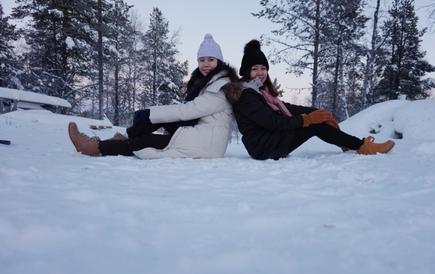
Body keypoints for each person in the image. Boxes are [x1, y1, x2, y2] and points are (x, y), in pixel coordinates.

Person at [68, 34, 240, 159]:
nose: (206, 64)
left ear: (219, 62)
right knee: (159, 120)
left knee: (146, 141)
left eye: (211, 59)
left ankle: (94, 147)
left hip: (206, 144)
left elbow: (190, 110)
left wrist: (151, 112)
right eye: (202, 60)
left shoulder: (220, 87)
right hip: (201, 134)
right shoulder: (208, 82)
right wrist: (153, 116)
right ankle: (124, 138)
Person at [232, 40, 395, 160]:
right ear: (247, 72)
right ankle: (361, 146)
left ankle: (347, 143)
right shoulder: (247, 95)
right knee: (314, 125)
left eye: (263, 68)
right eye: (255, 69)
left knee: (316, 120)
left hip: (269, 140)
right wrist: (308, 119)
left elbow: (288, 108)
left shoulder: (262, 92)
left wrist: (315, 112)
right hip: (263, 147)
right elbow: (273, 122)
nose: (260, 72)